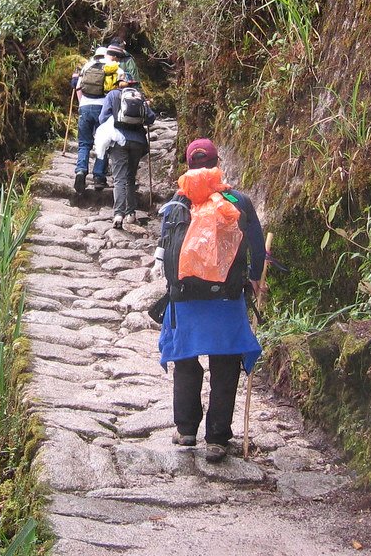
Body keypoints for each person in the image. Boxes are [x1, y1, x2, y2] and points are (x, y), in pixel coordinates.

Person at [155, 138, 265, 462]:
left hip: (185, 300)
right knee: (226, 364)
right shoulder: (239, 202)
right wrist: (255, 279)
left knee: (186, 360)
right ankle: (217, 438)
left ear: (188, 165)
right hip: (226, 300)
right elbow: (256, 248)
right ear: (218, 163)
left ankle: (186, 429)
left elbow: (164, 251)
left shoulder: (176, 203)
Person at [98, 77, 155, 228]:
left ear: (117, 84)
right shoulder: (139, 96)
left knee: (119, 178)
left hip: (118, 141)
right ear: (132, 85)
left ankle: (118, 214)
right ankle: (131, 213)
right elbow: (150, 118)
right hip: (137, 141)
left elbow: (102, 118)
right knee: (130, 177)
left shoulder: (112, 95)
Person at [70, 46, 120, 194]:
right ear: (108, 55)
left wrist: (81, 106)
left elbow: (76, 87)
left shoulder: (87, 65)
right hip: (103, 109)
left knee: (84, 143)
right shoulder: (112, 67)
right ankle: (99, 177)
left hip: (85, 107)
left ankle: (80, 171)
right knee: (103, 143)